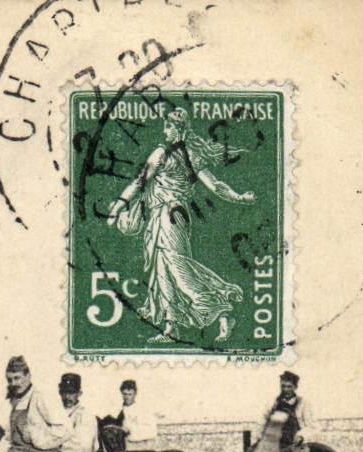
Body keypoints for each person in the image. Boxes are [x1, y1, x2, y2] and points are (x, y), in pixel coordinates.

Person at [106, 107, 255, 344]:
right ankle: (172, 326)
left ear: (179, 129)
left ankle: (221, 309)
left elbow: (139, 182)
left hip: (170, 216)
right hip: (170, 216)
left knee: (177, 267)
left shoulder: (162, 154)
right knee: (163, 269)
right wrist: (237, 197)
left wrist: (116, 208)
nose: (164, 131)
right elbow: (215, 185)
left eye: (168, 126)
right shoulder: (190, 156)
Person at [31, 372, 100, 452]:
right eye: (64, 392)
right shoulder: (53, 412)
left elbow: (84, 447)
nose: (67, 397)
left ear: (79, 393)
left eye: (71, 393)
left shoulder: (86, 415)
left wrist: (55, 449)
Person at [4, 356, 54, 452]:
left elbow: (65, 429)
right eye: (10, 380)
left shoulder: (40, 397)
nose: (13, 383)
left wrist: (36, 439)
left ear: (28, 376)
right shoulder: (14, 401)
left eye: (17, 378)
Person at [117, 379, 158, 446]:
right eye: (125, 394)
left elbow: (152, 431)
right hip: (124, 446)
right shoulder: (120, 411)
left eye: (130, 394)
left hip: (140, 445)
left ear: (135, 394)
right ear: (121, 393)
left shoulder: (142, 410)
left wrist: (130, 430)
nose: (127, 397)